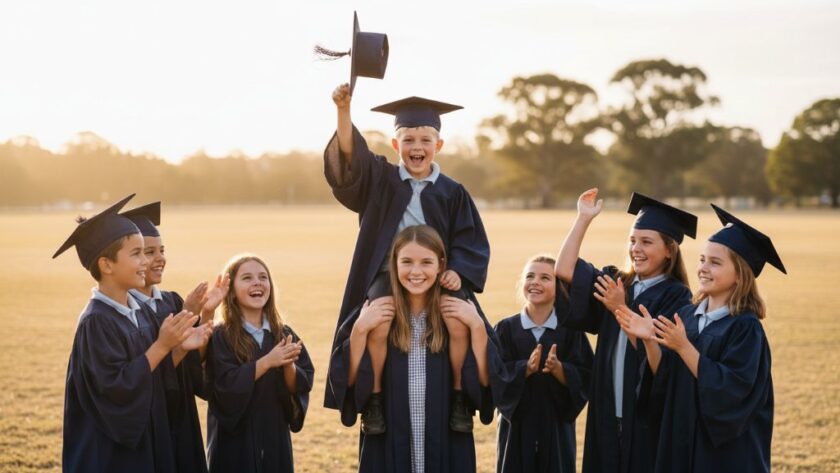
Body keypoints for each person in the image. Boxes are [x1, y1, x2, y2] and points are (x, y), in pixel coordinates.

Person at [324, 84, 490, 434]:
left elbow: (468, 237)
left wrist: (459, 271)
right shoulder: (380, 179)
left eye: (426, 140)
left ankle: (461, 396)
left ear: (439, 145)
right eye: (409, 140)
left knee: (460, 321)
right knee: (378, 323)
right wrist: (343, 112)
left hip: (439, 275)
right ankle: (375, 401)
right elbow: (351, 158)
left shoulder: (451, 191)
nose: (417, 147)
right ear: (396, 145)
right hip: (387, 272)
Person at [615, 204, 784, 473]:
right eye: (703, 259)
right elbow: (664, 379)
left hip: (722, 455)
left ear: (740, 276)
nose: (704, 268)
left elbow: (732, 392)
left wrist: (684, 347)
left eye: (715, 262)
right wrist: (649, 340)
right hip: (681, 442)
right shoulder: (687, 315)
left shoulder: (745, 329)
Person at [54, 194, 210, 473]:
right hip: (110, 454)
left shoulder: (140, 314)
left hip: (145, 447)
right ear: (107, 265)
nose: (145, 263)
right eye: (137, 254)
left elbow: (156, 380)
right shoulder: (97, 322)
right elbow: (115, 390)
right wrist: (163, 345)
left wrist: (180, 347)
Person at [327, 225, 494, 472]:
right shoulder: (376, 313)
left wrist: (477, 326)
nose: (416, 271)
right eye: (407, 261)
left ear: (441, 264)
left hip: (447, 439)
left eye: (426, 262)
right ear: (394, 264)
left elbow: (487, 382)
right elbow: (348, 383)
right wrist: (360, 329)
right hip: (387, 439)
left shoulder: (457, 312)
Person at [554, 189, 696, 473]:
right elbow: (564, 270)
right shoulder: (618, 281)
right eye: (632, 241)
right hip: (607, 407)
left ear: (669, 250)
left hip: (643, 414)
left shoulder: (677, 297)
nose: (636, 249)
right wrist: (582, 220)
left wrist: (620, 307)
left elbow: (662, 363)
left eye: (646, 242)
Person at [123, 201, 213, 473]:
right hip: (150, 425)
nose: (159, 258)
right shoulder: (124, 313)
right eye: (148, 252)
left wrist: (201, 313)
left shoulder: (171, 302)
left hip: (181, 419)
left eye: (161, 250)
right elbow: (139, 380)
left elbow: (194, 375)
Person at [205, 254, 314, 473]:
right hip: (234, 444)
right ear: (232, 292)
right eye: (247, 278)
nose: (257, 282)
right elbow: (223, 388)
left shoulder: (283, 334)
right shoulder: (221, 336)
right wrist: (266, 362)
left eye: (263, 277)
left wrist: (287, 365)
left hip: (275, 437)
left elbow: (299, 386)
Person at [494, 255, 594, 473]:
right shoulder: (506, 329)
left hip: (556, 425)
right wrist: (524, 369)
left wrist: (560, 370)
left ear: (559, 288)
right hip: (516, 427)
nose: (535, 282)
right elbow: (495, 375)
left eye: (545, 277)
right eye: (530, 276)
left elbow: (587, 375)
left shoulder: (571, 331)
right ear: (522, 283)